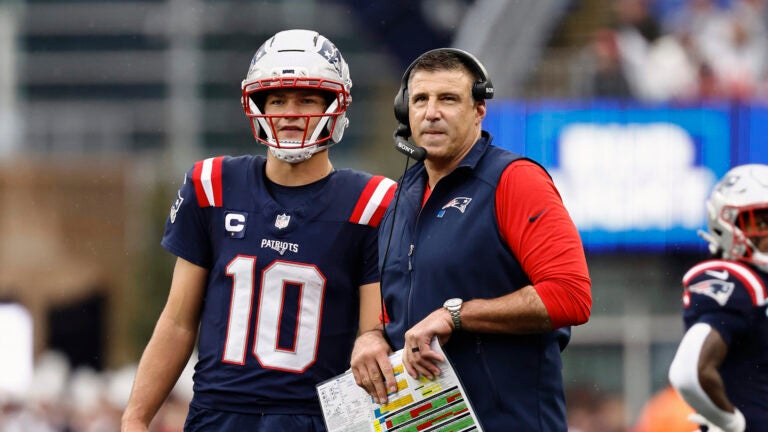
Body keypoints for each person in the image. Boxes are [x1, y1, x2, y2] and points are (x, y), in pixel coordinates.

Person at [121, 29, 396, 432]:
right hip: (217, 412)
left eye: (306, 99)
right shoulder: (212, 184)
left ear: (336, 106)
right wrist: (136, 418)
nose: (289, 112)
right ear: (256, 103)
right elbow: (179, 320)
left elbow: (373, 333)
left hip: (316, 416)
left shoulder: (372, 202)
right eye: (278, 99)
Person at [349, 48, 592, 431]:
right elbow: (394, 311)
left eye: (448, 99)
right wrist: (370, 338)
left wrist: (456, 315)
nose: (431, 112)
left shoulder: (515, 180)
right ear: (404, 112)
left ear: (479, 109)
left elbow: (570, 296)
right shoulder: (400, 197)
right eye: (420, 100)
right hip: (425, 422)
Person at [668, 164, 768, 432]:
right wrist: (731, 423)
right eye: (761, 222)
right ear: (727, 223)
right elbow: (688, 374)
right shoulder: (736, 280)